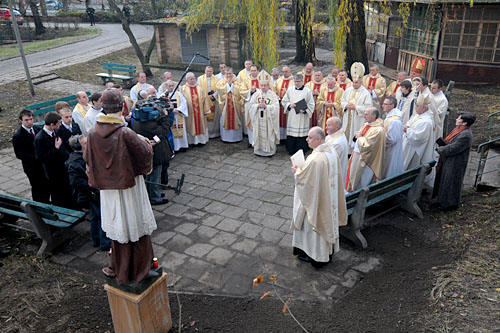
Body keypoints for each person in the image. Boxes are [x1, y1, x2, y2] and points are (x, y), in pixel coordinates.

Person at [85, 88, 157, 286]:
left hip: (108, 191)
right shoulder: (125, 132)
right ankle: (138, 269)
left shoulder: (92, 132)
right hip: (128, 187)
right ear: (122, 106)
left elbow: (87, 157)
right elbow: (144, 154)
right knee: (134, 225)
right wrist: (146, 144)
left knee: (119, 229)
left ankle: (118, 267)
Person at [291, 127, 347, 267]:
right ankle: (327, 252)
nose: (306, 139)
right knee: (326, 223)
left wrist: (297, 172)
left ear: (318, 139)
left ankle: (317, 256)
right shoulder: (331, 151)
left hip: (318, 201)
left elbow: (306, 183)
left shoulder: (316, 159)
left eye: (309, 137)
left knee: (314, 226)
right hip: (330, 197)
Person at [66, 135, 111, 251]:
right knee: (102, 216)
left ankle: (97, 239)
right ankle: (105, 243)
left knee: (95, 216)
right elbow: (76, 181)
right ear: (78, 147)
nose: (89, 144)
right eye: (85, 143)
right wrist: (91, 185)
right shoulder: (76, 162)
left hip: (91, 192)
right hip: (91, 193)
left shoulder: (81, 158)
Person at [133, 96, 173, 206]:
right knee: (155, 175)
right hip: (156, 153)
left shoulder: (137, 121)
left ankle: (152, 194)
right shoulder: (150, 125)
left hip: (146, 151)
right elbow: (163, 130)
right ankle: (155, 197)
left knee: (150, 175)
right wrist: (164, 116)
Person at [433, 113, 475, 210]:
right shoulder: (459, 130)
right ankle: (441, 201)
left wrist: (439, 150)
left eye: (459, 119)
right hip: (449, 160)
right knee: (444, 181)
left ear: (464, 123)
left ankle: (449, 204)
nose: (456, 119)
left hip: (455, 163)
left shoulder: (465, 135)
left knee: (451, 182)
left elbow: (452, 149)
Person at [34, 112, 73, 208]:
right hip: (53, 171)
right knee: (58, 193)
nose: (60, 124)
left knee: (67, 189)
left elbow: (62, 147)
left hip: (63, 166)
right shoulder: (40, 138)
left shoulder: (56, 132)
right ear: (52, 124)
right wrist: (55, 149)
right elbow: (41, 157)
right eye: (59, 123)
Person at [12, 110, 50, 203]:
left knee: (46, 184)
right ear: (21, 121)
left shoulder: (37, 129)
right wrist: (36, 157)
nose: (29, 122)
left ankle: (46, 202)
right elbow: (19, 154)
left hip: (42, 164)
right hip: (31, 167)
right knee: (37, 187)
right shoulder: (18, 135)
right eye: (26, 120)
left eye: (31, 119)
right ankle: (39, 205)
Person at [345, 108, 385, 192]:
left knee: (361, 180)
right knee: (353, 176)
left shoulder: (378, 130)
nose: (364, 116)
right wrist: (357, 136)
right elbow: (359, 134)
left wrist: (359, 137)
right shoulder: (367, 124)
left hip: (367, 161)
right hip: (357, 155)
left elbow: (368, 146)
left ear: (374, 116)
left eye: (366, 114)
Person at [402, 94, 435, 187]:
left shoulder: (426, 121)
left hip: (414, 149)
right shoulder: (418, 116)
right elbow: (409, 123)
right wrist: (407, 127)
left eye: (418, 106)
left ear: (424, 108)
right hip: (408, 144)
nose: (416, 107)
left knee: (410, 165)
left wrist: (407, 130)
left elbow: (419, 137)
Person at [340, 63, 372, 153]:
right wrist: (346, 105)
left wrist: (356, 107)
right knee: (346, 134)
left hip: (358, 119)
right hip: (348, 118)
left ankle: (354, 152)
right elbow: (342, 100)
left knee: (355, 134)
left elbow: (368, 107)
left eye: (356, 82)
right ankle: (346, 151)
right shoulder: (348, 90)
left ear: (361, 82)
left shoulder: (365, 93)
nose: (354, 84)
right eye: (353, 82)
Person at [281, 74, 315, 155]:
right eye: (295, 81)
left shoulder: (307, 91)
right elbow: (284, 101)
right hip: (292, 115)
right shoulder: (290, 89)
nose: (296, 83)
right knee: (292, 134)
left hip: (302, 116)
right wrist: (289, 105)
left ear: (302, 81)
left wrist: (305, 110)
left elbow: (311, 104)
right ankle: (291, 149)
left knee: (301, 134)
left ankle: (302, 149)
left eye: (298, 81)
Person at [247, 80, 280, 156]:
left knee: (268, 133)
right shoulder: (256, 94)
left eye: (265, 85)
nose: (263, 87)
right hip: (258, 119)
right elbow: (251, 105)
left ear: (268, 86)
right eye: (261, 85)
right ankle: (258, 150)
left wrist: (267, 107)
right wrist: (257, 106)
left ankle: (269, 151)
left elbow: (276, 107)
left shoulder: (272, 95)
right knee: (258, 133)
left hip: (268, 120)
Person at [180, 72, 210, 145]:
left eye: (194, 78)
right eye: (191, 79)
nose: (193, 80)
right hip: (190, 114)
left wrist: (206, 110)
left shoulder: (200, 88)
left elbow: (205, 99)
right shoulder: (183, 89)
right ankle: (192, 141)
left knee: (201, 125)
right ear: (187, 80)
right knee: (191, 127)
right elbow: (181, 101)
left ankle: (201, 141)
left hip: (200, 113)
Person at [216, 67, 243, 142]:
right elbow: (219, 89)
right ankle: (226, 138)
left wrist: (232, 86)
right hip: (225, 105)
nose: (228, 75)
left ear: (232, 73)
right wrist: (228, 85)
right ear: (225, 73)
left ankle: (237, 138)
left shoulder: (238, 81)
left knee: (236, 119)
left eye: (230, 73)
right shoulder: (221, 81)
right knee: (225, 119)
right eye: (227, 73)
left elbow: (241, 89)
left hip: (235, 105)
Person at [382, 96, 404, 179]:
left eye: (385, 104)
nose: (382, 106)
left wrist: (379, 137)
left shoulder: (395, 121)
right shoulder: (390, 116)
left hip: (391, 151)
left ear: (392, 106)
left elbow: (391, 139)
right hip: (389, 149)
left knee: (390, 169)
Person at [163, 80, 189, 151]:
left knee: (181, 129)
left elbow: (184, 103)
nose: (171, 87)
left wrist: (179, 109)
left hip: (178, 114)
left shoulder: (179, 94)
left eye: (172, 86)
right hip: (171, 116)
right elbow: (162, 105)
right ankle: (175, 147)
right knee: (172, 130)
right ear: (166, 86)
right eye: (169, 86)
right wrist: (171, 110)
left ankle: (183, 146)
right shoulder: (163, 95)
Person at [198, 66, 220, 138]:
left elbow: (218, 88)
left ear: (212, 71)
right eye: (207, 71)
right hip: (205, 101)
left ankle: (215, 133)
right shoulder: (200, 78)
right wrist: (206, 97)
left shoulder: (217, 78)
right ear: (205, 71)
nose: (209, 72)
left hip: (214, 100)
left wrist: (214, 95)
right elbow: (199, 89)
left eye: (210, 71)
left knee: (214, 117)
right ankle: (207, 133)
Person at [274, 66, 295, 141]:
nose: (284, 73)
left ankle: (288, 137)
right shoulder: (279, 80)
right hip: (279, 104)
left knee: (288, 120)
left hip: (289, 105)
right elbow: (274, 91)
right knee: (280, 120)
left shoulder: (294, 81)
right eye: (283, 72)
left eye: (286, 71)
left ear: (290, 71)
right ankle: (281, 137)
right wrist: (278, 98)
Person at [325, 116, 348, 184]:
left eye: (329, 125)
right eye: (326, 125)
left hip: (334, 175)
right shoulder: (335, 134)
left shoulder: (337, 143)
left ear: (337, 127)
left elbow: (328, 160)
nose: (326, 127)